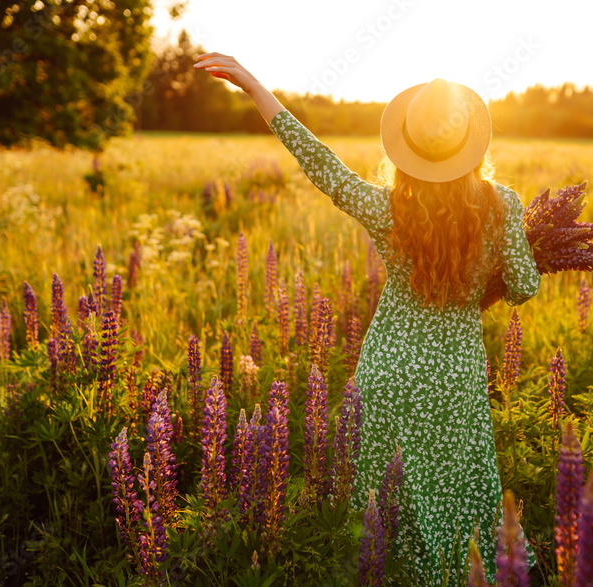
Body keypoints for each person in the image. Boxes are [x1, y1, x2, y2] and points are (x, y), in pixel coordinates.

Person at [194, 52, 541, 585]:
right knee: (455, 488)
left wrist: (251, 84)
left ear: (408, 149)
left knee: (385, 495)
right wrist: (489, 282)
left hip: (388, 370)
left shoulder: (387, 209)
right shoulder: (504, 207)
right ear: (471, 145)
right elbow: (524, 286)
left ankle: (389, 574)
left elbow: (321, 164)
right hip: (456, 377)